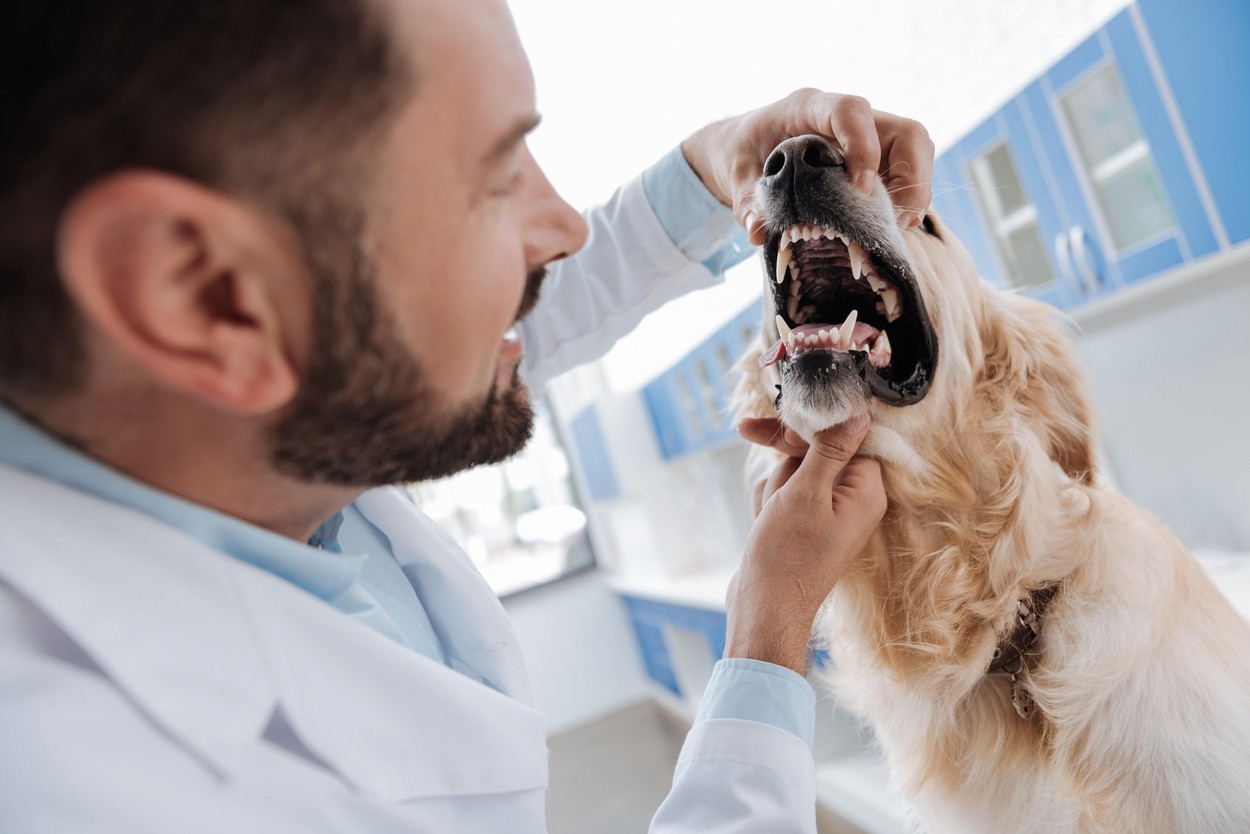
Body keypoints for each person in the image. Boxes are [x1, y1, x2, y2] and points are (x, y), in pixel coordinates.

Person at [0, 1, 933, 831]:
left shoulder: (221, 416)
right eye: (493, 180)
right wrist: (766, 634)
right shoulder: (91, 787)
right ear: (204, 294)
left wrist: (713, 165)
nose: (564, 226)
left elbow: (439, 327)